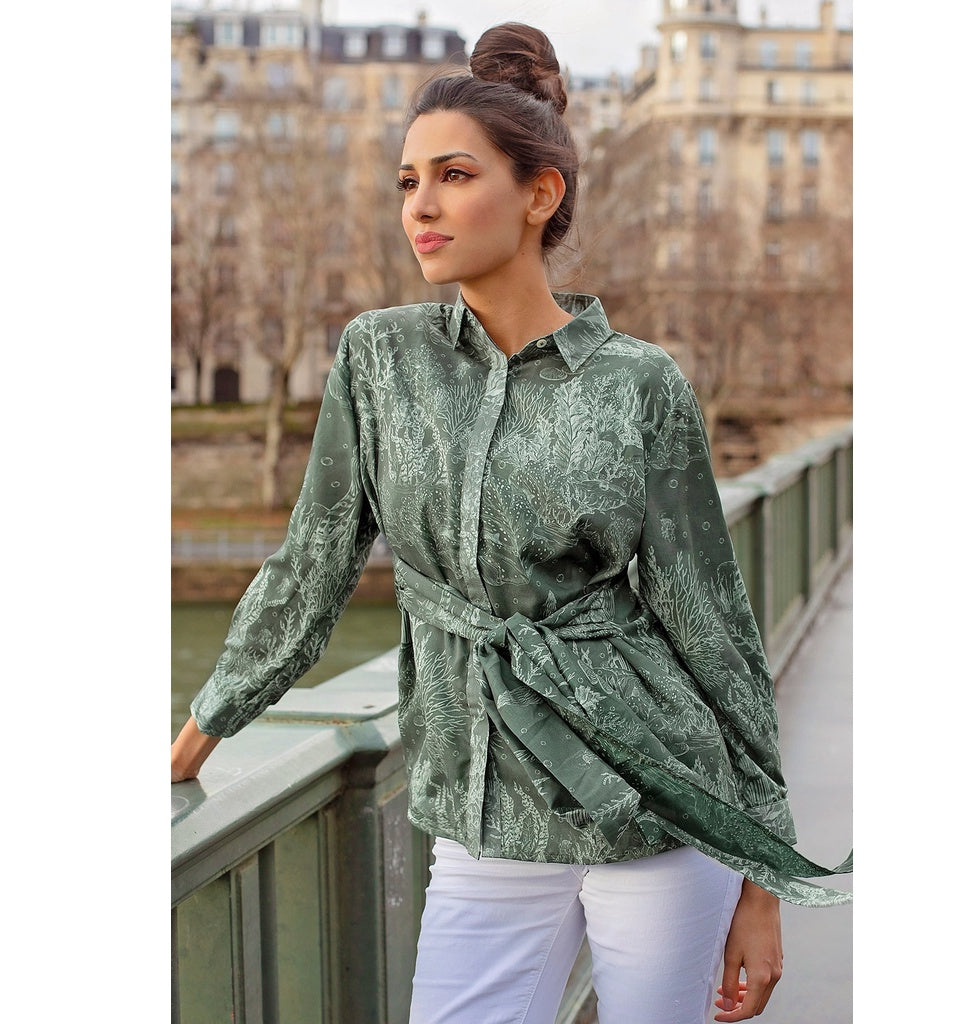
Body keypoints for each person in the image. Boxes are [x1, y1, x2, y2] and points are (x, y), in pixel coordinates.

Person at [171, 22, 851, 1024]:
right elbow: (311, 569)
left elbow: (713, 629)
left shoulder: (640, 384)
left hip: (658, 805)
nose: (421, 206)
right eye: (408, 181)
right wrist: (195, 738)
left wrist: (763, 877)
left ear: (540, 194)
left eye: (453, 176)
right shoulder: (379, 360)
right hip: (482, 814)